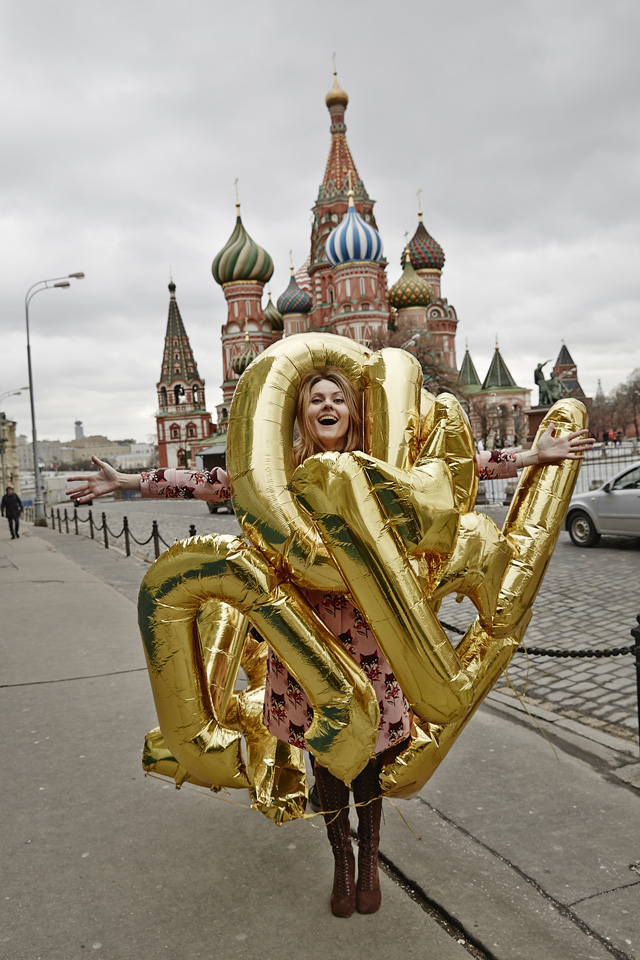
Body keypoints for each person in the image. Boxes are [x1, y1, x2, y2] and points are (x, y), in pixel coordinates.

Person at [67, 368, 594, 917]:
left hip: (372, 628)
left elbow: (467, 468)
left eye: (337, 399)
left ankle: (369, 858)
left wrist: (535, 458)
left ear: (350, 411)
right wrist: (129, 483)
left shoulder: (377, 464)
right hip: (304, 634)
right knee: (325, 748)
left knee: (368, 751)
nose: (327, 406)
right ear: (301, 413)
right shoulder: (279, 471)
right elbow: (211, 483)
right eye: (315, 398)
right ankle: (343, 858)